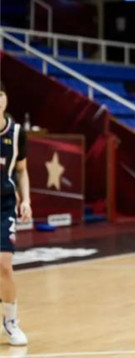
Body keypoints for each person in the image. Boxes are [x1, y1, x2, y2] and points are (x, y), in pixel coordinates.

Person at [0, 82, 31, 346]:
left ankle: (10, 322)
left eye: (0, 95)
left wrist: (27, 200)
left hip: (4, 205)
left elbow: (21, 170)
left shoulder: (17, 132)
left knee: (4, 263)